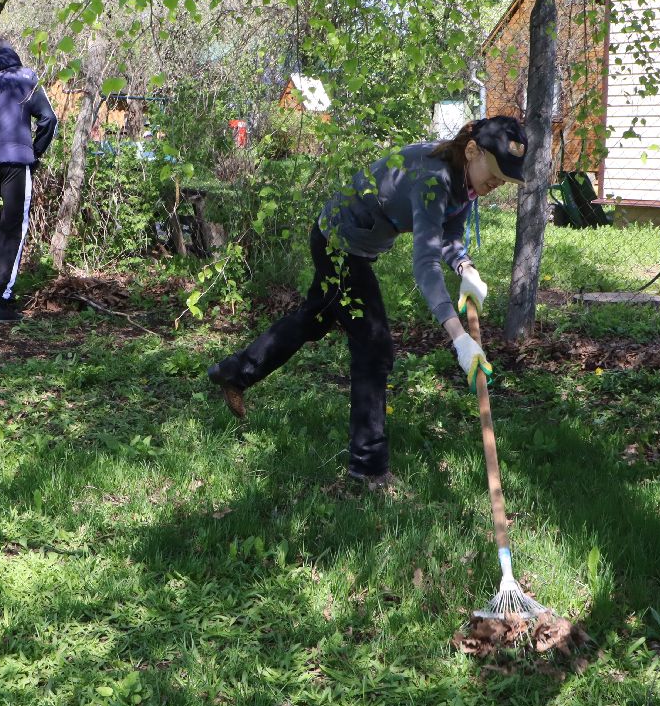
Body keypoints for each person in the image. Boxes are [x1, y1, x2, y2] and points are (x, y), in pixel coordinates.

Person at [205, 116, 529, 491]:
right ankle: (368, 469)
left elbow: (450, 231)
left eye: (502, 182)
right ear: (473, 150)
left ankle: (235, 371)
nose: (494, 186)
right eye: (494, 175)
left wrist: (464, 266)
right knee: (374, 350)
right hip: (341, 245)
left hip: (349, 241)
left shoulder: (464, 178)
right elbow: (424, 266)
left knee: (314, 319)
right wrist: (458, 337)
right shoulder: (433, 180)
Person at [0, 39, 57, 322]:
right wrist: (36, 153)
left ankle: (1, 273)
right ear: (13, 56)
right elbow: (49, 120)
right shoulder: (25, 79)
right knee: (15, 226)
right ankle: (2, 301)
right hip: (16, 162)